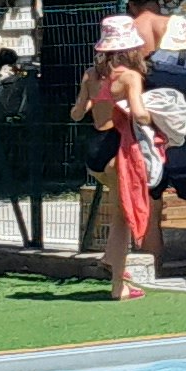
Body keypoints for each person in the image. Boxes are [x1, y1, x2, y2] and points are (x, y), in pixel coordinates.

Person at [73, 16, 155, 302]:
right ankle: (118, 286)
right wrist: (153, 114)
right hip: (116, 150)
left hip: (94, 151)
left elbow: (76, 113)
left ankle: (111, 259)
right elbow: (141, 114)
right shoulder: (130, 77)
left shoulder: (90, 76)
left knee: (120, 208)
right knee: (123, 217)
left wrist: (101, 102)